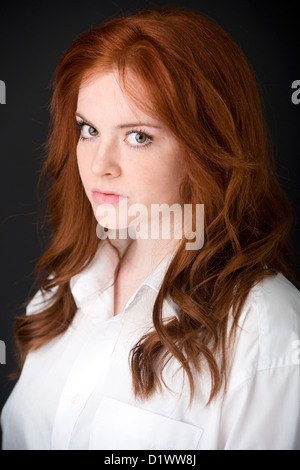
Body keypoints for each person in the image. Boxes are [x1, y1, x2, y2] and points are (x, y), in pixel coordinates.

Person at [1, 6, 300, 450]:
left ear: (208, 146)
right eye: (88, 130)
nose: (100, 166)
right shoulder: (66, 285)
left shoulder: (268, 334)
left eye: (138, 136)